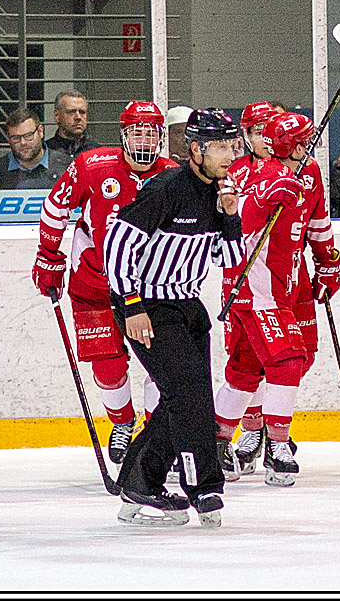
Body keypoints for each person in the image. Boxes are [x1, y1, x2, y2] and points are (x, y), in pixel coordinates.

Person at [103, 107, 244, 527]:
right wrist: (131, 305)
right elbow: (117, 244)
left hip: (188, 306)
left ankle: (138, 483)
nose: (230, 154)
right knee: (189, 396)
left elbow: (228, 258)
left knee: (182, 396)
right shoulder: (165, 188)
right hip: (148, 305)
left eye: (232, 145)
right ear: (196, 149)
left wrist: (231, 216)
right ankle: (204, 487)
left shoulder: (218, 193)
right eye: (220, 146)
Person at [32, 101, 179, 466]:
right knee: (107, 367)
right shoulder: (91, 166)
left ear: (161, 137)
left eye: (151, 134)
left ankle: (154, 435)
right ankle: (123, 423)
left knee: (161, 367)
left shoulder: (174, 176)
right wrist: (49, 256)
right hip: (94, 282)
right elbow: (55, 208)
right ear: (123, 135)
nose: (144, 141)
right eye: (137, 133)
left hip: (151, 288)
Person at [215, 111, 340, 487]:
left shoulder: (302, 174)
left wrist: (328, 263)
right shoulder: (261, 176)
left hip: (279, 289)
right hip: (256, 290)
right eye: (306, 141)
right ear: (294, 146)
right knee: (287, 359)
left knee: (245, 370)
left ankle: (214, 443)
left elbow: (316, 223)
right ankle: (278, 445)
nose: (311, 146)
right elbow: (234, 227)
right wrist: (260, 200)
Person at [0, 108, 71, 189]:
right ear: (8, 138)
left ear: (40, 131)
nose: (23, 142)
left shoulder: (68, 166)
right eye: (16, 138)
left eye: (28, 135)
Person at [45, 90, 95, 158]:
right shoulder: (45, 152)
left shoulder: (98, 153)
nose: (78, 117)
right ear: (57, 115)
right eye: (71, 112)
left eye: (82, 112)